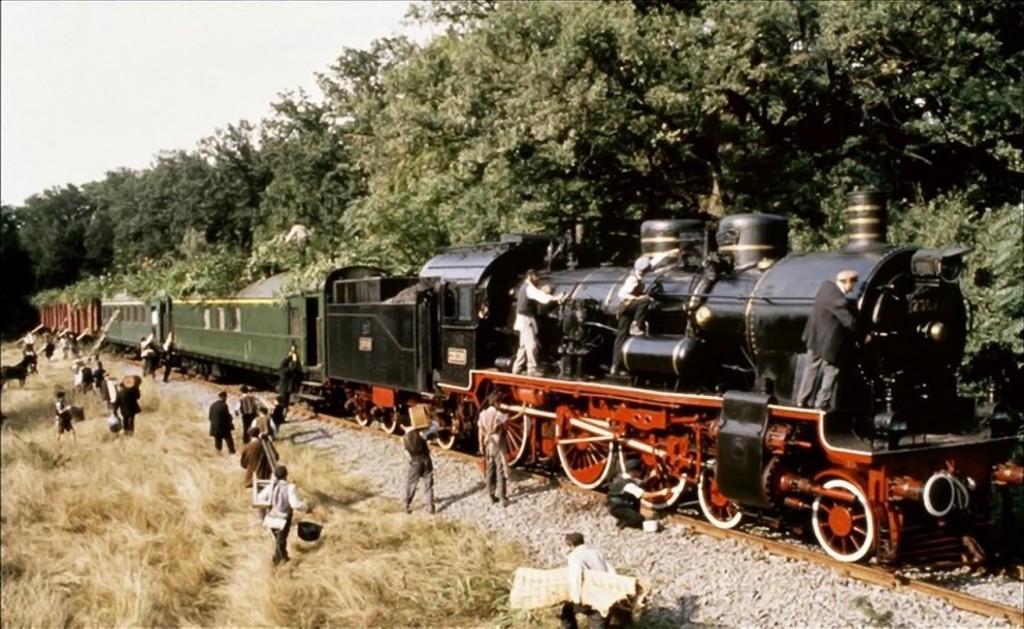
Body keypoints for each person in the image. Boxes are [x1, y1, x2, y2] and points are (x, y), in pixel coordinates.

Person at [796, 269, 860, 411]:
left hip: (814, 336)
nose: (853, 288)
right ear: (847, 282)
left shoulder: (826, 288)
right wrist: (863, 335)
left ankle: (802, 400)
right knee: (832, 371)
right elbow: (849, 322)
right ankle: (821, 403)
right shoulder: (839, 300)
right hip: (827, 342)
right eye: (853, 284)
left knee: (811, 368)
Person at [257, 465, 312, 566]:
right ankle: (277, 562)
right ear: (286, 475)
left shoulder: (271, 486)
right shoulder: (290, 487)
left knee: (280, 540)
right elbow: (295, 504)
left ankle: (283, 557)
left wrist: (268, 506)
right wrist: (306, 508)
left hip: (271, 518)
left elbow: (260, 498)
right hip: (283, 518)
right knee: (280, 541)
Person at [512, 269, 563, 377]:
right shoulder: (529, 288)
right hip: (526, 319)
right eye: (536, 276)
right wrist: (556, 298)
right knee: (531, 344)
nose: (538, 279)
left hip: (524, 318)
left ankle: (516, 368)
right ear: (530, 276)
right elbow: (541, 296)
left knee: (523, 346)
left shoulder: (524, 287)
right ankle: (532, 369)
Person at [560, 532, 616, 629]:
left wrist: (576, 598)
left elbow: (576, 576)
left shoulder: (574, 556)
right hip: (605, 595)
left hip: (589, 595)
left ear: (571, 544)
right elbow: (611, 571)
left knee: (567, 614)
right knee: (599, 621)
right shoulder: (597, 553)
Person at [610, 257, 653, 376]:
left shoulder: (637, 278)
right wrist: (638, 298)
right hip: (627, 307)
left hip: (626, 309)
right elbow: (622, 294)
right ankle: (636, 325)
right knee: (645, 301)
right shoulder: (633, 279)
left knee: (621, 337)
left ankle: (615, 367)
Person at [607, 458, 670, 529]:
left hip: (623, 503)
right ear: (633, 471)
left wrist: (651, 477)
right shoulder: (627, 484)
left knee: (635, 499)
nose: (640, 474)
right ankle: (624, 522)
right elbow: (644, 495)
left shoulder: (626, 476)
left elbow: (642, 484)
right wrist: (661, 493)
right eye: (639, 471)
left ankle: (625, 518)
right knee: (639, 519)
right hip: (617, 507)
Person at [477, 394, 510, 506]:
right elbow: (507, 421)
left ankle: (491, 495)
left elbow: (480, 430)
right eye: (499, 403)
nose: (500, 405)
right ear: (496, 403)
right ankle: (502, 497)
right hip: (497, 444)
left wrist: (481, 445)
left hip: (487, 444)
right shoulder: (498, 414)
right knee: (500, 470)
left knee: (490, 469)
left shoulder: (482, 414)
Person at [402, 419, 436, 514]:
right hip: (426, 460)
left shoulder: (404, 438)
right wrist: (426, 421)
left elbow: (407, 455)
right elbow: (435, 425)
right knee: (428, 484)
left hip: (415, 462)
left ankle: (407, 504)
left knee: (411, 484)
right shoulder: (421, 432)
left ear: (402, 426)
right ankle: (431, 507)